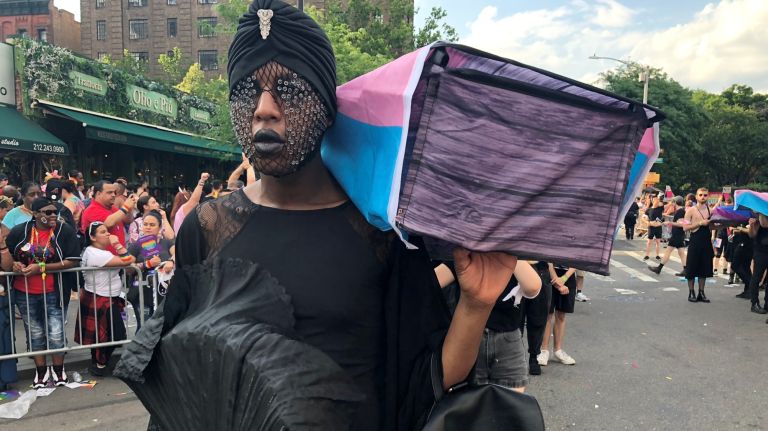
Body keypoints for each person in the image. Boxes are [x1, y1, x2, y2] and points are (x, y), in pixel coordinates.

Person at [116, 2, 519, 429]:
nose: (264, 109)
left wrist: (476, 305)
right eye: (247, 90)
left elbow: (426, 381)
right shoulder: (207, 227)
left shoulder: (380, 231)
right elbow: (184, 376)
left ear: (327, 106)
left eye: (287, 90)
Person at [1, 198, 80, 388]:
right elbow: (8, 256)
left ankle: (59, 370)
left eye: (55, 212)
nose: (53, 215)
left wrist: (42, 267)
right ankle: (41, 372)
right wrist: (15, 264)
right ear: (36, 214)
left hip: (55, 291)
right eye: (48, 212)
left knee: (56, 333)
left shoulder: (64, 230)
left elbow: (72, 261)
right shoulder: (21, 231)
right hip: (25, 291)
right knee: (35, 333)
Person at [434, 261, 541, 392]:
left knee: (511, 404)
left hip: (507, 338)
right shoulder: (469, 253)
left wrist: (509, 251)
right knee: (467, 401)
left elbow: (533, 287)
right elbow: (431, 282)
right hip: (469, 337)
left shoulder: (514, 258)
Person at [76, 222, 135, 376]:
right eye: (102, 232)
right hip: (100, 297)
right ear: (92, 237)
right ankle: (99, 364)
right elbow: (128, 259)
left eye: (107, 231)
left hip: (107, 296)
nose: (108, 234)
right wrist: (116, 243)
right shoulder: (94, 253)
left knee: (107, 334)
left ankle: (99, 364)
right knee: (113, 334)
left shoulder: (100, 252)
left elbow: (129, 261)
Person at [127, 210, 175, 329]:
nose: (148, 227)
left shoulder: (166, 243)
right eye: (146, 224)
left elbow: (178, 253)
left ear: (160, 228)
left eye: (152, 225)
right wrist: (147, 264)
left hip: (164, 293)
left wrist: (171, 261)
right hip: (142, 293)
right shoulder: (135, 245)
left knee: (164, 327)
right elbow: (128, 268)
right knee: (145, 327)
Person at [538, 263, 577, 366]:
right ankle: (544, 350)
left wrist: (564, 278)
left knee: (561, 315)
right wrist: (556, 281)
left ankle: (558, 350)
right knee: (547, 314)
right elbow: (548, 260)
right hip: (549, 274)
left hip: (568, 276)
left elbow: (578, 259)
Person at [81, 181, 136, 253]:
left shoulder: (112, 208)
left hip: (118, 257)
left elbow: (128, 220)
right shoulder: (91, 210)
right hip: (103, 260)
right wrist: (125, 207)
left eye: (114, 192)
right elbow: (108, 223)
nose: (113, 195)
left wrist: (129, 209)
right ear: (98, 194)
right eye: (109, 192)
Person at [683, 188, 714, 303]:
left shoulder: (710, 210)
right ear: (696, 196)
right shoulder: (690, 210)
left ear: (708, 197)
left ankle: (701, 292)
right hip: (695, 241)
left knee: (704, 268)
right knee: (691, 268)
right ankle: (691, 292)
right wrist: (700, 223)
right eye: (700, 195)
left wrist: (719, 225)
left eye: (705, 195)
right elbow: (685, 227)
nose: (703, 197)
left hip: (706, 242)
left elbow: (712, 227)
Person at [649, 196, 688, 276]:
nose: (671, 204)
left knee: (668, 251)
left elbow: (681, 224)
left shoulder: (680, 211)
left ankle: (659, 268)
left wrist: (669, 223)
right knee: (681, 253)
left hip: (677, 235)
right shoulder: (680, 211)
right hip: (679, 234)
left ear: (675, 202)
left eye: (672, 202)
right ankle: (686, 270)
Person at [747, 214, 768, 314]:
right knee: (756, 277)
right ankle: (754, 303)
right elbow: (752, 234)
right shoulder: (759, 215)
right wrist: (752, 225)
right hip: (761, 251)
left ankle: (767, 304)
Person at [730, 222, 753, 298]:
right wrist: (737, 229)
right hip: (741, 242)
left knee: (735, 265)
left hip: (747, 245)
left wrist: (741, 229)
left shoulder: (752, 217)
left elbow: (751, 231)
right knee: (745, 268)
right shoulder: (743, 217)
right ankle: (748, 290)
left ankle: (750, 284)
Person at [643, 194, 664, 260]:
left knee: (658, 241)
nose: (656, 201)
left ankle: (657, 255)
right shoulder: (648, 209)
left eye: (656, 199)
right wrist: (647, 223)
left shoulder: (660, 207)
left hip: (658, 227)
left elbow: (664, 201)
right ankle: (647, 255)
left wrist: (659, 196)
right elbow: (642, 217)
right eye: (654, 199)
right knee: (649, 242)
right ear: (652, 201)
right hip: (651, 227)